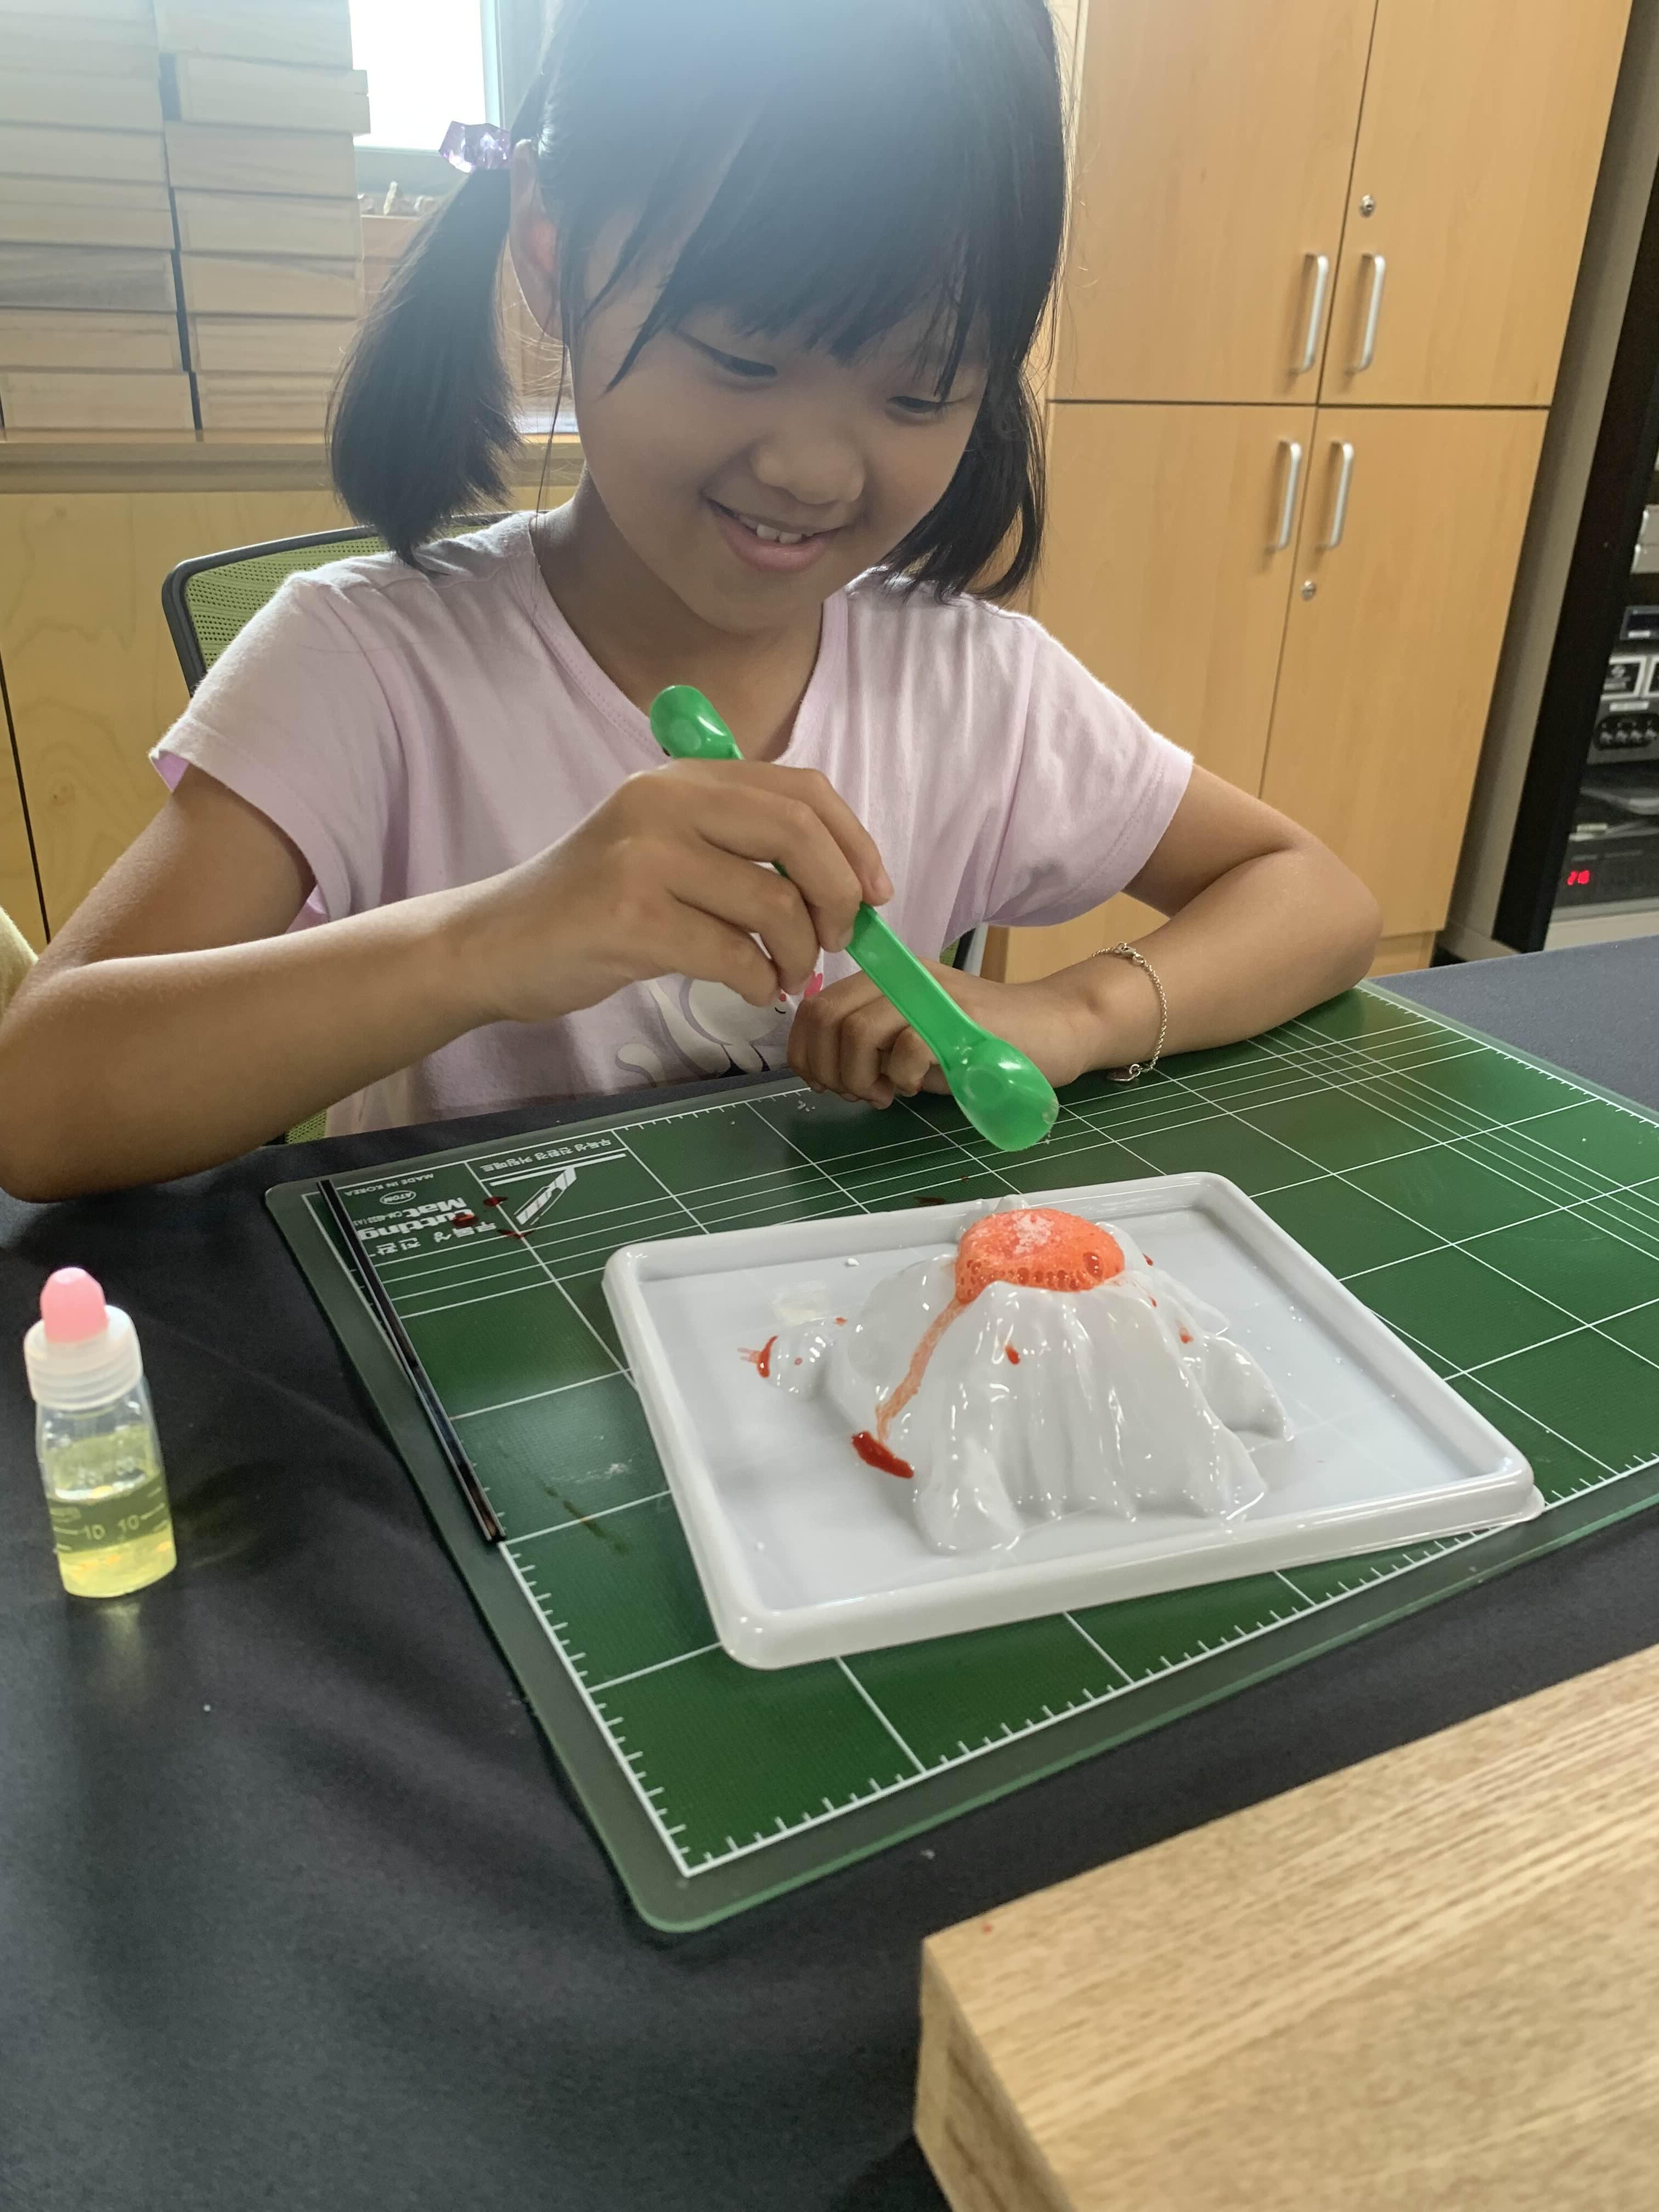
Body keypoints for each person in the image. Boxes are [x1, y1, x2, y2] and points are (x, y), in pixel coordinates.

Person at [0, 0, 1379, 1201]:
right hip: (482, 1369)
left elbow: (1312, 894)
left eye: (920, 392)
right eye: (739, 358)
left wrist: (1076, 1011)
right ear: (551, 250)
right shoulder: (364, 665)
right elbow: (38, 1103)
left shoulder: (973, 683)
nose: (813, 469)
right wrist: (486, 941)